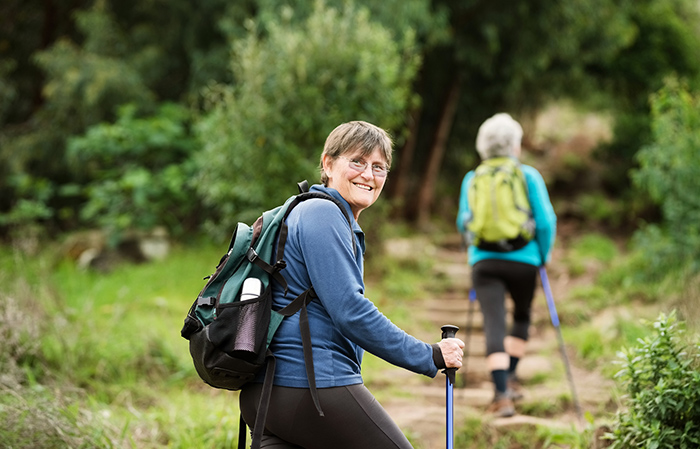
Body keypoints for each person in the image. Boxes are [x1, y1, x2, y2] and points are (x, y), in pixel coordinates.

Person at [240, 120, 465, 448]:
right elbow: (351, 312)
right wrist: (429, 355)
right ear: (328, 164)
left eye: (379, 167)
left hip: (268, 395)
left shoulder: (308, 214)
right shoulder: (323, 215)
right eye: (357, 161)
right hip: (311, 388)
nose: (368, 174)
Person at [456, 113, 556, 417]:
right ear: (515, 145)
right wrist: (544, 256)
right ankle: (510, 376)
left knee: (493, 323)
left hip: (484, 262)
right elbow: (545, 221)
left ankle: (501, 395)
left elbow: (464, 222)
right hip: (525, 259)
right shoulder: (527, 175)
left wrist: (474, 252)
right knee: (522, 316)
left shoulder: (473, 178)